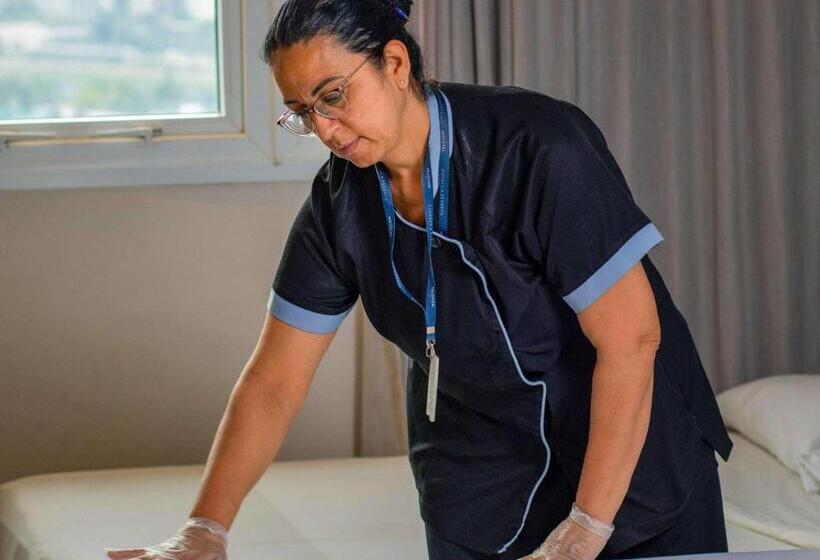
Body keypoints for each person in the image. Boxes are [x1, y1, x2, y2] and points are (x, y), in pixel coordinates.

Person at [104, 1, 735, 559]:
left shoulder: (539, 147)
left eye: (333, 96)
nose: (323, 129)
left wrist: (587, 528)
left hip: (629, 469)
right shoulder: (339, 203)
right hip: (476, 476)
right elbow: (274, 380)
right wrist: (205, 527)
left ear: (396, 64)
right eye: (301, 112)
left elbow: (632, 343)